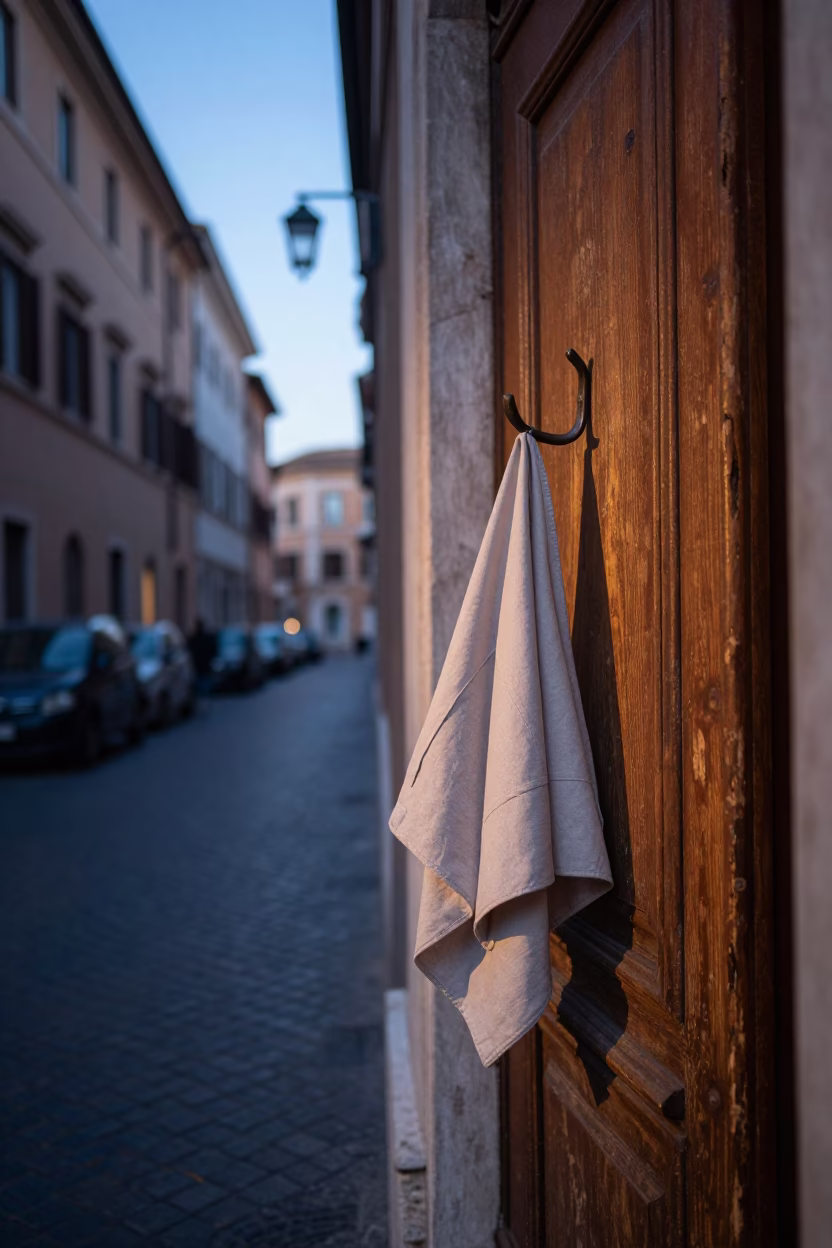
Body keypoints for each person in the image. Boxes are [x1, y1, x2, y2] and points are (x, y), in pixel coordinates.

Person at [188, 618, 216, 704]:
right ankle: (204, 702)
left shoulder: (194, 638)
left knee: (202, 686)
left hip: (199, 666)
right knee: (203, 687)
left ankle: (202, 702)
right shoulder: (203, 638)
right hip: (203, 666)